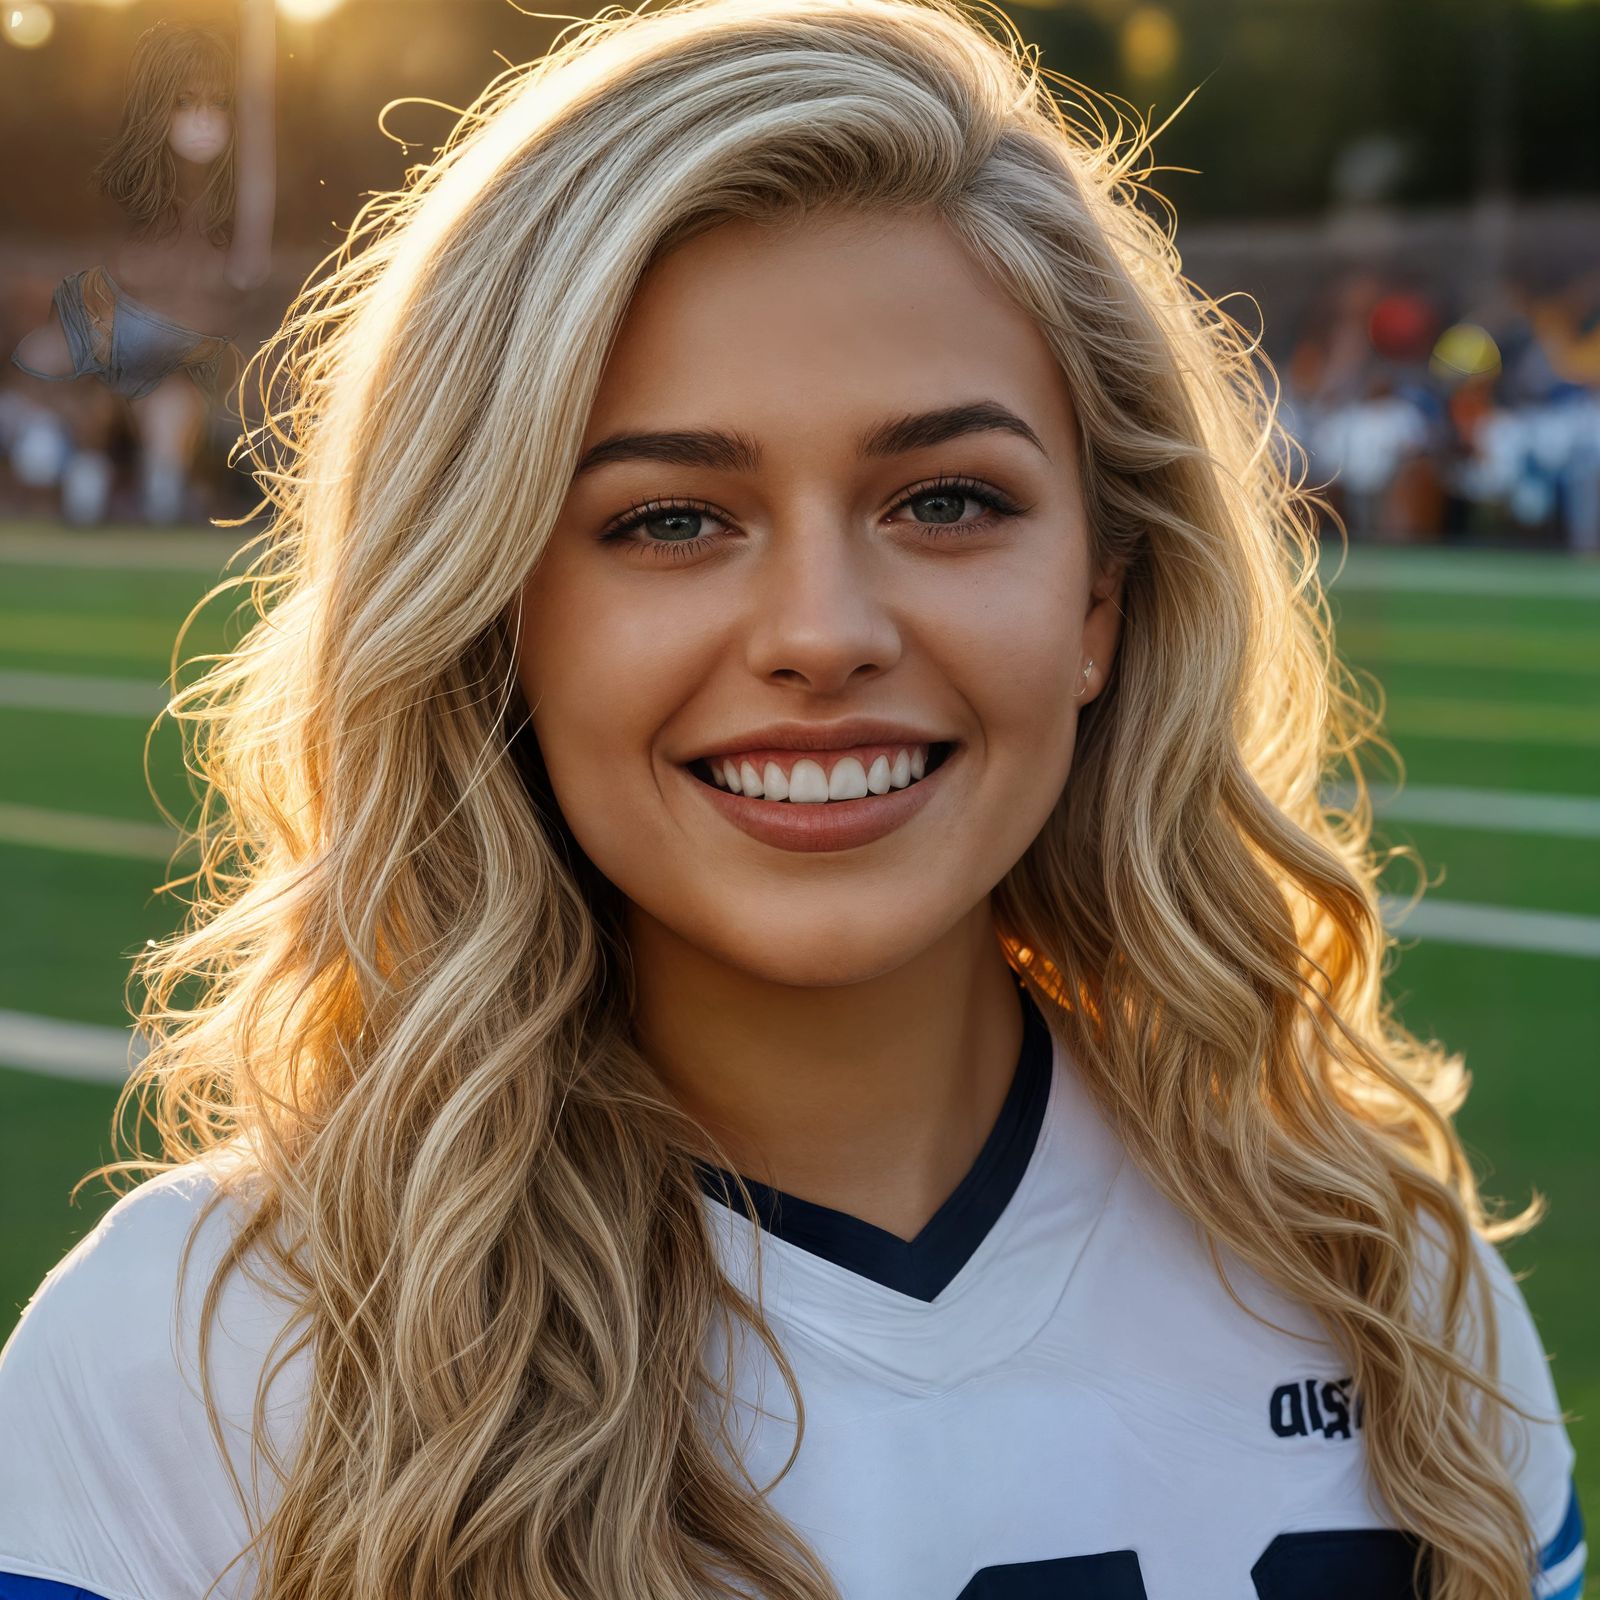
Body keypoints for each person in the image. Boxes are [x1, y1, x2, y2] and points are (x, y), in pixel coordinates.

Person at [0, 0, 1583, 1596]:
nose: (823, 633)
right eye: (671, 519)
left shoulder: (1382, 1277)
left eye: (947, 500)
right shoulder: (189, 1365)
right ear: (494, 612)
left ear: (1100, 596)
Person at [8, 1, 276, 523]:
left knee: (168, 395)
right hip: (108, 361)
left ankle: (156, 482)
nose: (203, 119)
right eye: (185, 103)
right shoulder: (117, 192)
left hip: (177, 372)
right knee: (52, 359)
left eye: (217, 103)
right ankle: (73, 463)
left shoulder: (237, 204)